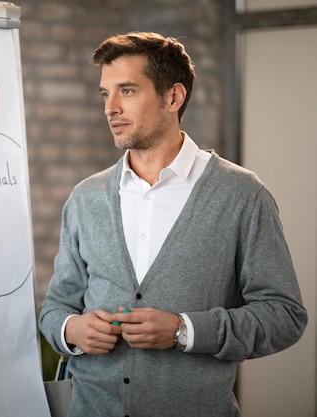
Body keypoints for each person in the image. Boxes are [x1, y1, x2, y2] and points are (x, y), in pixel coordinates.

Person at [38, 32, 307, 417]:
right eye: (105, 94)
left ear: (173, 97)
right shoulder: (86, 197)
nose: (110, 108)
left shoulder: (241, 195)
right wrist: (71, 330)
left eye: (127, 91)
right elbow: (56, 306)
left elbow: (284, 315)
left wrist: (184, 331)